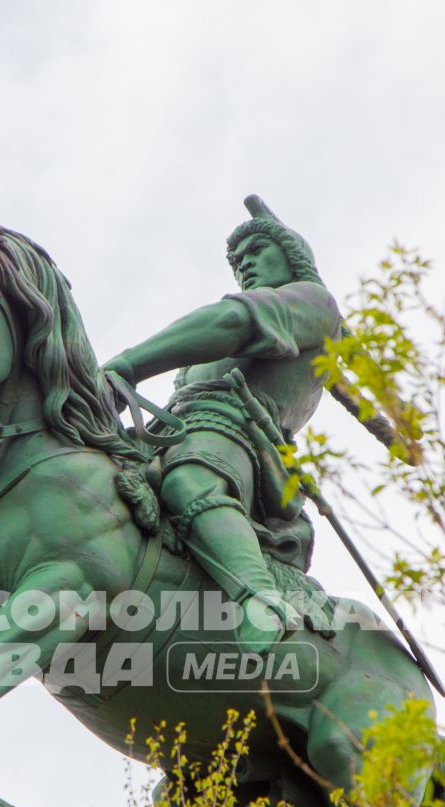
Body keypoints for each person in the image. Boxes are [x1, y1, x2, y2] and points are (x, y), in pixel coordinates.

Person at [102, 196, 342, 651]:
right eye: (237, 261)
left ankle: (259, 599)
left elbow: (233, 321)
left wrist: (126, 366)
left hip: (235, 436)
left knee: (190, 480)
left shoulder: (313, 304)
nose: (245, 265)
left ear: (292, 258)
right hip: (171, 430)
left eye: (257, 253)